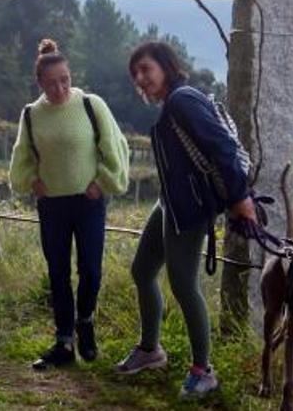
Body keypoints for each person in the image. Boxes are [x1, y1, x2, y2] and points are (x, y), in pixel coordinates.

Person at [114, 42, 258, 398]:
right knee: (142, 270)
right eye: (136, 75)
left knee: (183, 284)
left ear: (165, 65)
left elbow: (222, 147)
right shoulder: (174, 102)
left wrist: (241, 199)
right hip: (171, 203)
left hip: (189, 210)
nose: (140, 79)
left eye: (145, 69)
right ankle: (150, 350)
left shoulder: (182, 100)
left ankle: (203, 370)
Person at [8, 39, 130, 370]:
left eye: (65, 80)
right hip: (53, 207)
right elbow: (22, 158)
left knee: (90, 270)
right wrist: (32, 181)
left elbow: (116, 148)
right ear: (40, 84)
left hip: (88, 203)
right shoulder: (31, 114)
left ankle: (85, 322)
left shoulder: (92, 104)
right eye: (52, 83)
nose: (60, 88)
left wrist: (103, 181)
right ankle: (64, 340)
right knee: (58, 273)